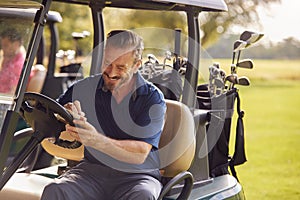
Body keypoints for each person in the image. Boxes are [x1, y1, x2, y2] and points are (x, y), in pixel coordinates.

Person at [41, 30, 166, 200]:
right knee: (56, 189)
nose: (111, 72)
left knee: (142, 196)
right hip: (92, 171)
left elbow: (140, 153)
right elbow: (53, 111)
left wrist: (96, 139)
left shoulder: (152, 98)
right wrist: (67, 114)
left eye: (121, 67)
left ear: (137, 65)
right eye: (107, 63)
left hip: (137, 177)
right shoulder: (86, 88)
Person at [0, 28, 26, 94]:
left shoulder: (18, 65)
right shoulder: (10, 59)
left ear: (16, 44)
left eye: (6, 46)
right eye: (2, 46)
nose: (3, 49)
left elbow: (13, 94)